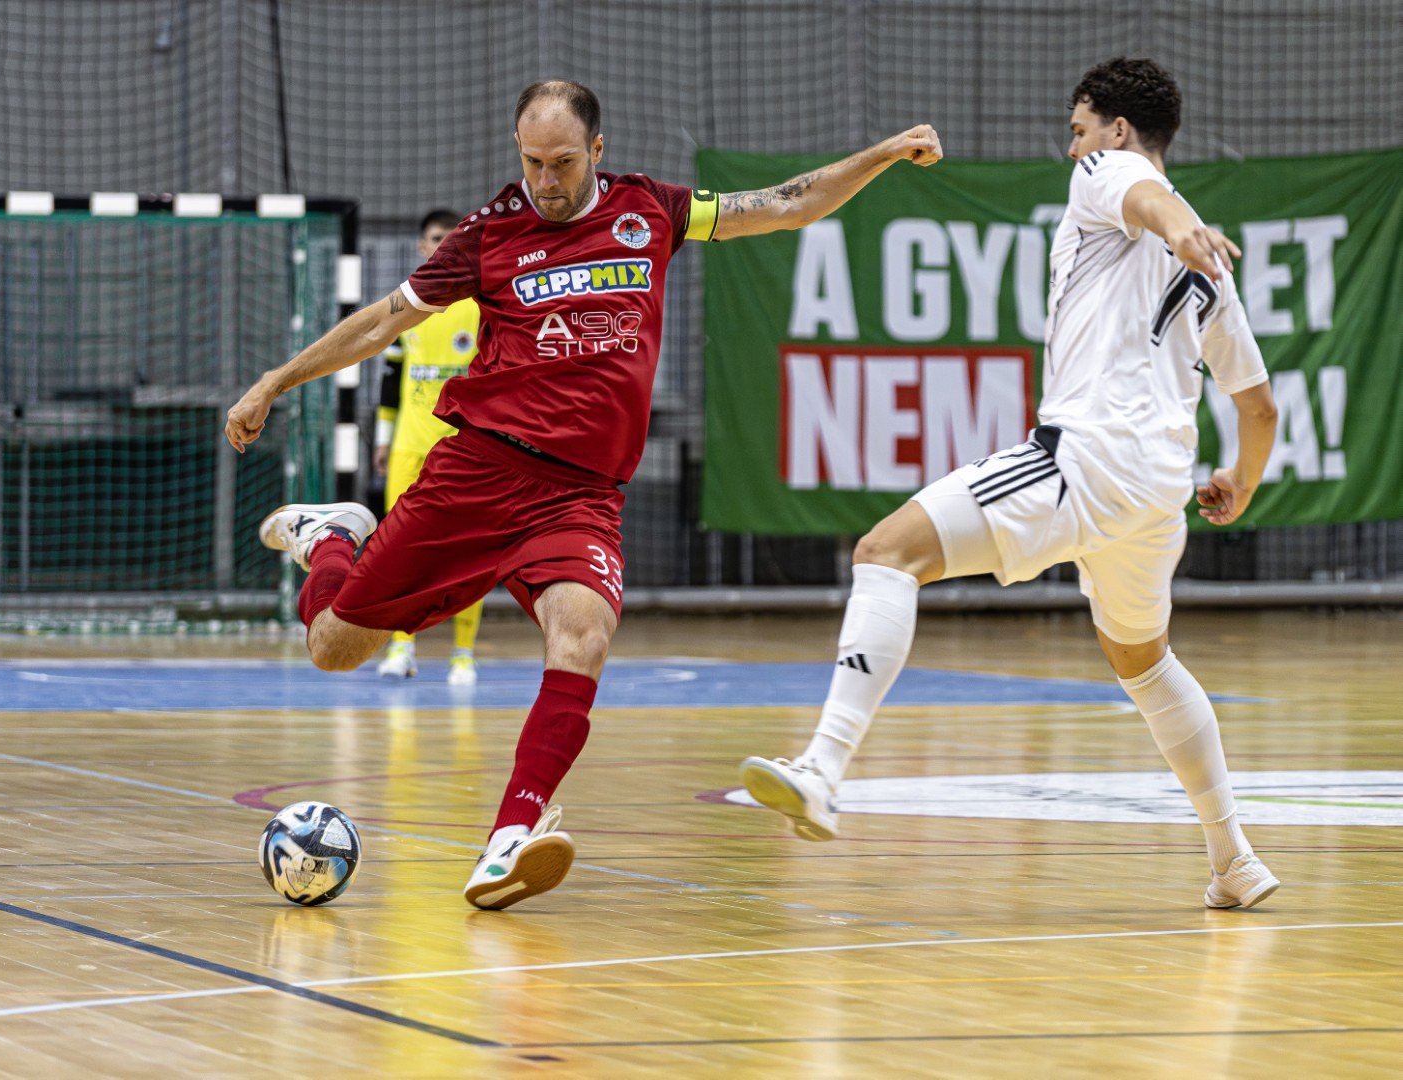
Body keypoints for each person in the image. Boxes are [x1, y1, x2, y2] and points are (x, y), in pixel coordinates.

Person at [226, 79, 943, 909]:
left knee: (584, 638)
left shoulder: (652, 212)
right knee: (332, 647)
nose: (545, 178)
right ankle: (334, 539)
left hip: (580, 497)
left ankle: (506, 843)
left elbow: (786, 205)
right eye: (531, 161)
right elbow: (385, 320)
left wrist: (883, 155)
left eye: (562, 162)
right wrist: (276, 380)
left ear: (596, 152)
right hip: (479, 476)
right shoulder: (491, 233)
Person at [740, 57, 1282, 911]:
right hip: (1158, 494)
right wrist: (1241, 486)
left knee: (886, 553)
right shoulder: (1214, 269)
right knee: (1144, 664)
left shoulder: (1115, 176)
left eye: (1077, 130)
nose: (1072, 150)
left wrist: (1179, 229)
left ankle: (822, 766)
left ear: (1115, 129)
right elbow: (1258, 410)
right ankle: (1235, 859)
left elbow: (1148, 197)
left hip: (1086, 460)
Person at [371, 209, 485, 687]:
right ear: (421, 246)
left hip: (466, 447)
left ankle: (463, 655)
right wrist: (382, 438)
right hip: (409, 447)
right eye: (435, 238)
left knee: (470, 552)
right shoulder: (407, 305)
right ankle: (402, 645)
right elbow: (392, 379)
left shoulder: (482, 305)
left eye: (450, 238)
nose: (441, 245)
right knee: (400, 549)